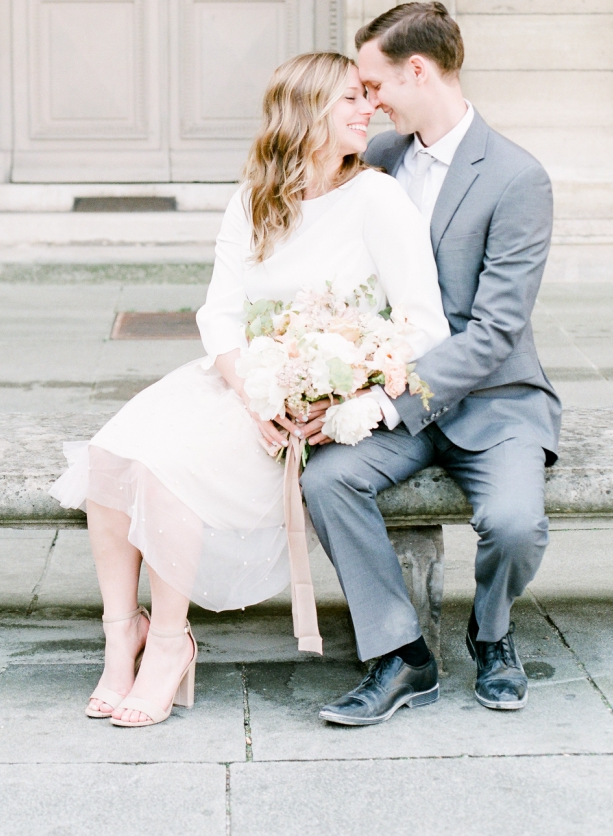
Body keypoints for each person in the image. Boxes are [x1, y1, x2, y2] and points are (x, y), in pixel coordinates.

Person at [50, 51, 449, 727]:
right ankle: (125, 635)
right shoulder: (255, 199)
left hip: (314, 404)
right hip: (240, 382)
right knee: (111, 454)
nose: (369, 109)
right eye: (349, 97)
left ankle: (171, 643)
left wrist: (350, 386)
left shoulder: (376, 197)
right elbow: (220, 313)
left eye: (367, 97)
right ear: (305, 110)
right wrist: (247, 386)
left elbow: (424, 323)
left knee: (169, 466)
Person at [301, 2, 560, 725]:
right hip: (391, 392)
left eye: (375, 82)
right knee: (326, 480)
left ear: (418, 70)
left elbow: (497, 328)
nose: (369, 99)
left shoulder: (517, 177)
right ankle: (401, 652)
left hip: (493, 397)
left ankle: (492, 632)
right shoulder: (378, 156)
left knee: (512, 523)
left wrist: (388, 403)